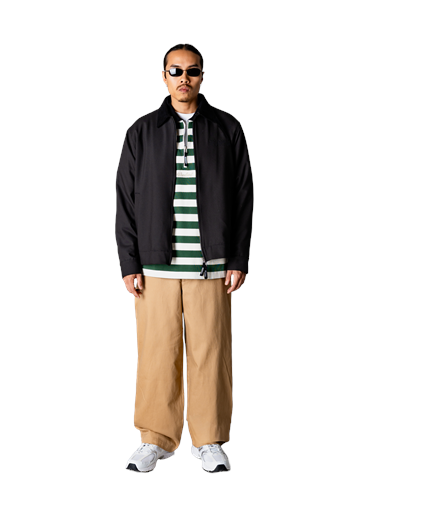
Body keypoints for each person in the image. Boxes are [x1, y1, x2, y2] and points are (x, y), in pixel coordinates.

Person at [115, 43, 254, 473]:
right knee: (157, 354)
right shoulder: (142, 131)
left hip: (211, 266)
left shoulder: (226, 129)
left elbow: (243, 197)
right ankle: (154, 439)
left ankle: (209, 440)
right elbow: (125, 200)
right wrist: (129, 263)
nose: (184, 78)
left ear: (202, 76)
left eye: (192, 71)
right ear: (164, 76)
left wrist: (238, 258)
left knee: (211, 355)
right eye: (175, 71)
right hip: (154, 268)